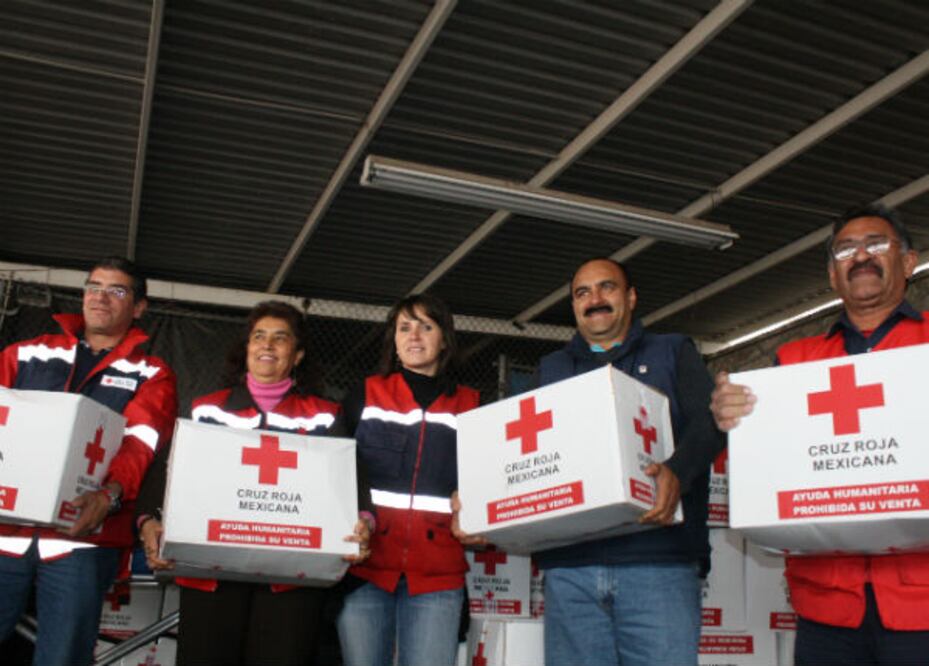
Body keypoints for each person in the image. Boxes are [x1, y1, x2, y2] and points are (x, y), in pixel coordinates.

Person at [711, 204, 929, 666]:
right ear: (833, 275)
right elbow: (762, 472)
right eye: (846, 249)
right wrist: (734, 424)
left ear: (909, 263)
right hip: (828, 608)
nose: (861, 256)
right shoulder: (794, 362)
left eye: (877, 244)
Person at [136, 300, 373, 666]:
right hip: (211, 573)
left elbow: (350, 481)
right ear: (246, 348)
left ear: (297, 355)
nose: (267, 345)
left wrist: (363, 523)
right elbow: (166, 470)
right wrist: (148, 521)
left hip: (291, 579)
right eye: (258, 337)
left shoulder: (324, 416)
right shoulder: (208, 409)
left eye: (280, 339)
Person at [535, 257, 725, 666]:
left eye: (607, 288)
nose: (595, 300)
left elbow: (711, 424)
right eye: (582, 293)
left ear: (631, 297)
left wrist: (678, 470)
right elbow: (528, 455)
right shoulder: (552, 370)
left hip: (658, 561)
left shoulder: (673, 351)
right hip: (572, 569)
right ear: (573, 306)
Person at [0, 256, 178, 666]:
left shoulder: (151, 372)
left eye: (117, 290)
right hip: (6, 528)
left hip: (84, 535)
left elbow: (141, 444)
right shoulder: (26, 353)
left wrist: (109, 495)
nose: (100, 297)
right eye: (94, 286)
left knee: (63, 656)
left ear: (138, 307)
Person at [335, 293, 480, 666]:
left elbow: (490, 476)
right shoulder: (365, 394)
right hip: (365, 568)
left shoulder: (472, 404)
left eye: (426, 326)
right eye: (404, 327)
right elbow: (332, 468)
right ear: (394, 340)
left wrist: (476, 505)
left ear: (444, 339)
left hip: (437, 574)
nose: (414, 335)